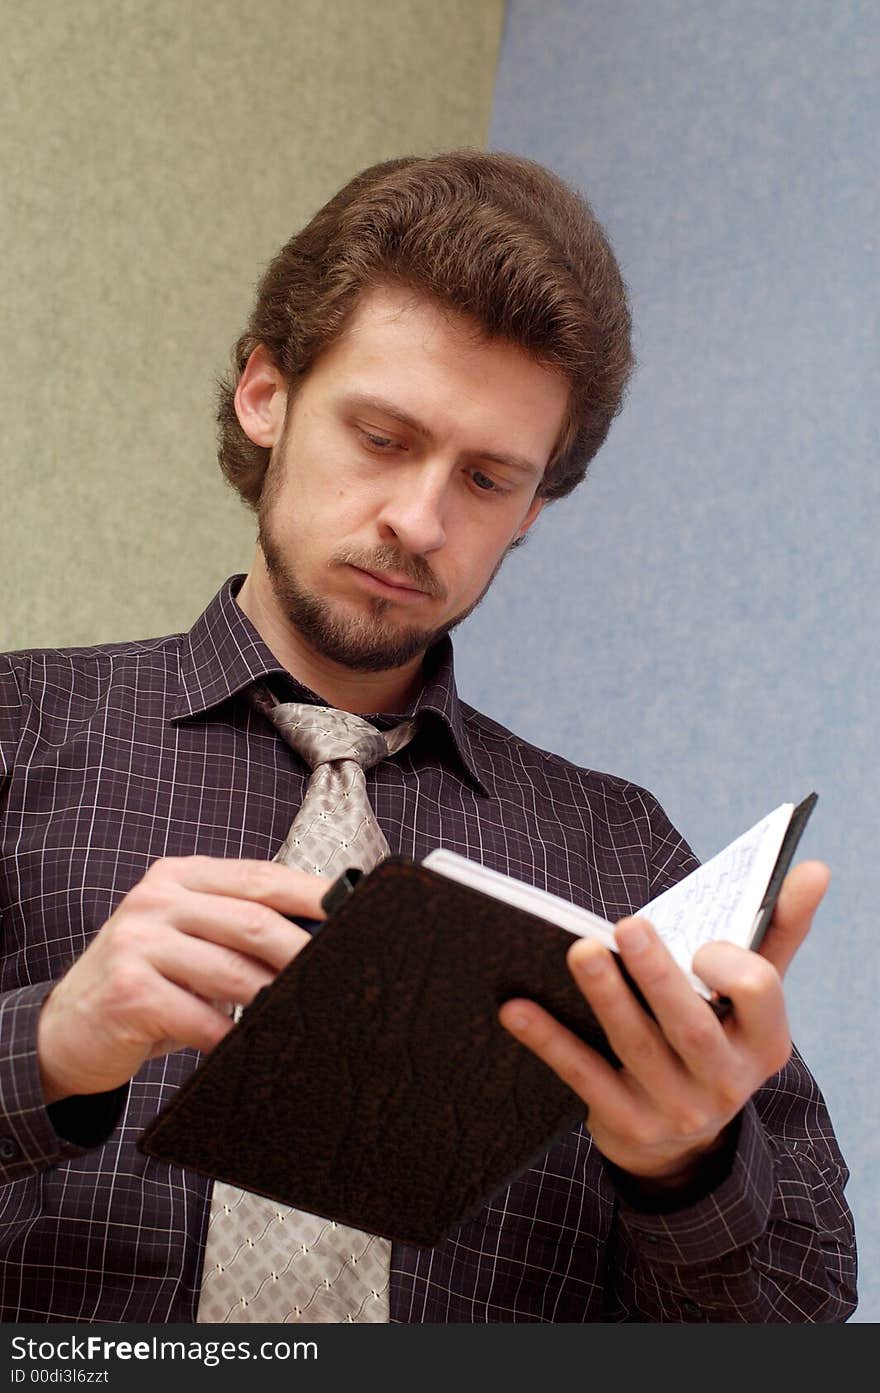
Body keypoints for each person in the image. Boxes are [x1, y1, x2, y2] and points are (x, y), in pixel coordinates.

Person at [0, 150, 856, 1324]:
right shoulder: (15, 734)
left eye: (488, 477)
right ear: (265, 391)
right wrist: (45, 1049)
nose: (418, 520)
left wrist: (685, 1166)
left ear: (535, 509)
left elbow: (802, 1310)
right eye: (383, 437)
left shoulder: (625, 861)